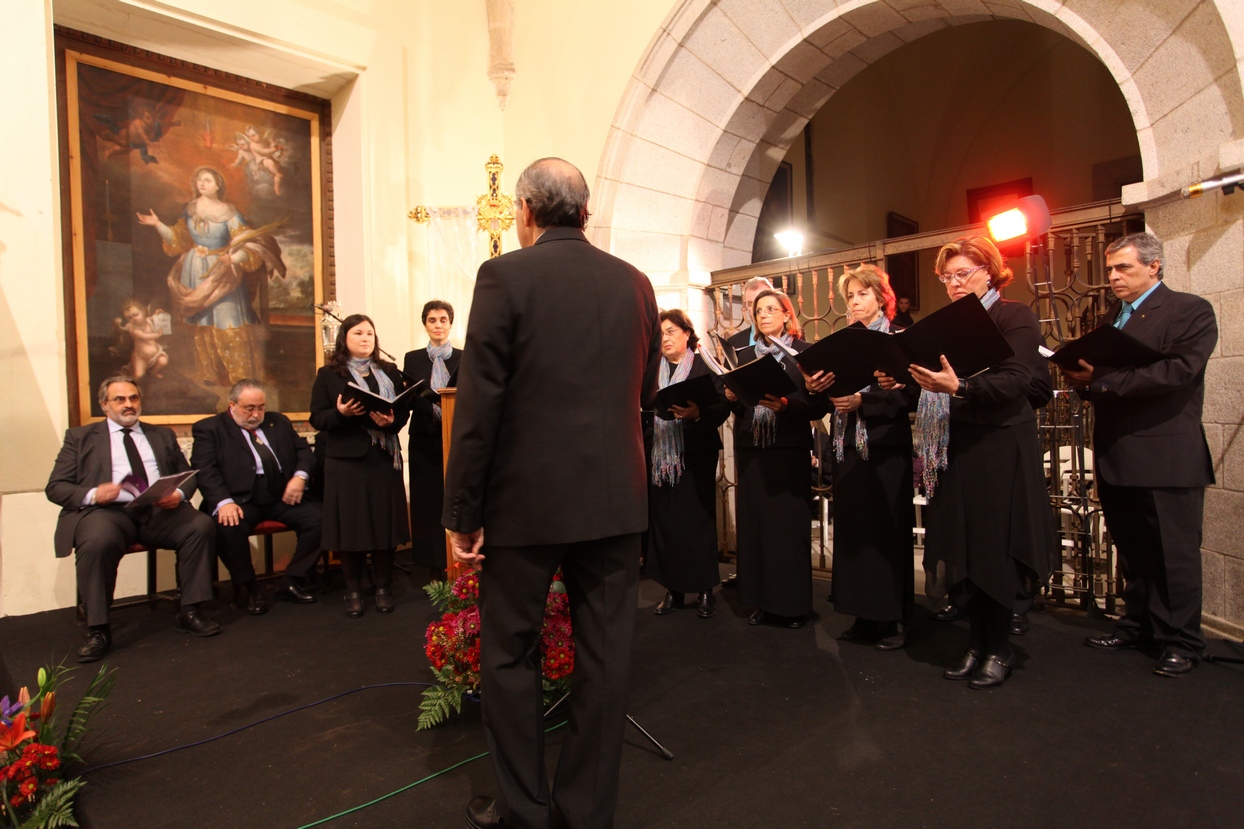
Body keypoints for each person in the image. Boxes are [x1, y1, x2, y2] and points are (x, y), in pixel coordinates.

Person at [442, 157, 660, 829]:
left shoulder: (504, 274)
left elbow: (480, 405)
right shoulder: (637, 283)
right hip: (616, 501)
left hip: (526, 504)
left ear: (527, 212)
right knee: (606, 659)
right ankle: (585, 811)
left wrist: (462, 513)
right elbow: (646, 395)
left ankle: (526, 811)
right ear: (585, 213)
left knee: (510, 653)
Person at [881, 236, 1055, 689]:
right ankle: (976, 643)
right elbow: (933, 385)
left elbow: (1016, 381)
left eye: (963, 274)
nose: (954, 283)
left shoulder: (1014, 316)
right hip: (956, 445)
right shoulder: (945, 326)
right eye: (947, 277)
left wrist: (957, 388)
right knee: (965, 547)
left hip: (1000, 446)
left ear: (990, 271)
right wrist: (904, 380)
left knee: (995, 548)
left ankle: (1000, 648)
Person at [1061, 232, 1217, 677]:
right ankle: (1138, 625)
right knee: (1132, 551)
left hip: (1166, 454)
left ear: (1154, 266)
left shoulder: (1189, 310)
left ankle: (1182, 641)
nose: (1113, 277)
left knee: (1173, 555)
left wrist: (1102, 380)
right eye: (1109, 269)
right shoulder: (1114, 316)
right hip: (1117, 452)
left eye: (1123, 267)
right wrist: (1083, 378)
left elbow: (1178, 371)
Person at [46, 376, 221, 662]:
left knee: (199, 525)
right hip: (107, 512)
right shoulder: (80, 438)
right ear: (104, 405)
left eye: (134, 398)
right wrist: (94, 494)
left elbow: (188, 474)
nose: (129, 405)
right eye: (120, 399)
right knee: (98, 541)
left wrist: (177, 494)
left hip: (157, 510)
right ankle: (98, 629)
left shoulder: (161, 435)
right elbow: (56, 487)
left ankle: (190, 611)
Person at [805, 265, 916, 650]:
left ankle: (892, 618)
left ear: (881, 297)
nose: (854, 301)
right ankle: (862, 615)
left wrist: (863, 400)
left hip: (887, 448)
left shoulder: (901, 339)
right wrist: (815, 387)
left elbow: (910, 396)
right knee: (854, 533)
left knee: (886, 531)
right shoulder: (843, 342)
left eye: (862, 294)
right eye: (850, 296)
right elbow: (826, 398)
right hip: (848, 446)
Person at [725, 289, 829, 629]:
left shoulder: (804, 352)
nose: (764, 315)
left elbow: (819, 405)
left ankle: (793, 606)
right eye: (758, 310)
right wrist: (732, 394)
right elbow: (742, 406)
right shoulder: (745, 355)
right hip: (753, 451)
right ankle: (764, 603)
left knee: (786, 531)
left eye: (772, 309)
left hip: (787, 450)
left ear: (787, 314)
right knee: (757, 530)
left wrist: (787, 406)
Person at [136, 166, 284, 387]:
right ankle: (211, 374)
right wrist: (157, 224)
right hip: (194, 270)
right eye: (198, 180)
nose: (201, 183)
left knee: (228, 322)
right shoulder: (191, 209)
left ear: (218, 185)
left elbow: (247, 242)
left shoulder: (229, 212)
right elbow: (179, 239)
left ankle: (240, 378)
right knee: (202, 324)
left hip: (222, 271)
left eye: (207, 180)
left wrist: (234, 259)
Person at [191, 379, 323, 615]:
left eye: (260, 407)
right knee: (227, 527)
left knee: (322, 518)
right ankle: (249, 587)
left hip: (281, 495)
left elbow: (304, 452)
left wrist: (300, 477)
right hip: (240, 499)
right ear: (232, 405)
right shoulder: (210, 429)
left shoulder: (278, 421)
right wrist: (224, 502)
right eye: (249, 408)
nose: (256, 414)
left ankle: (292, 580)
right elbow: (205, 470)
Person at [309, 314, 411, 617]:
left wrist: (393, 421)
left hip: (383, 459)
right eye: (358, 333)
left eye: (369, 333)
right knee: (351, 530)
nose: (365, 338)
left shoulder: (389, 371)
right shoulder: (329, 374)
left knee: (383, 527)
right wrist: (341, 413)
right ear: (345, 339)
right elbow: (317, 418)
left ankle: (382, 588)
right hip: (345, 462)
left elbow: (401, 411)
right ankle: (352, 590)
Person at [647, 309, 729, 619]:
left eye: (670, 331)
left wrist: (698, 414)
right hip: (661, 458)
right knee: (667, 524)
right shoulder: (654, 371)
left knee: (697, 522)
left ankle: (705, 589)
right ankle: (674, 590)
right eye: (661, 334)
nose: (665, 338)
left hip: (695, 455)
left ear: (686, 333)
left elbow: (723, 406)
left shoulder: (703, 365)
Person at [721, 277, 774, 589]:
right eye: (754, 305)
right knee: (750, 506)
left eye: (766, 305)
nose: (758, 312)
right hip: (747, 431)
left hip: (781, 431)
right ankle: (748, 571)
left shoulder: (787, 340)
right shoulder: (737, 341)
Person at [402, 300, 461, 573]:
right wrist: (430, 405)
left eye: (443, 320)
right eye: (432, 320)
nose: (438, 325)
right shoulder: (412, 358)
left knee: (454, 496)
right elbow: (410, 396)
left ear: (450, 324)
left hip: (456, 435)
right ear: (424, 324)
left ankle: (457, 561)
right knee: (427, 500)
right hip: (424, 437)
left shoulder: (464, 355)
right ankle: (430, 564)